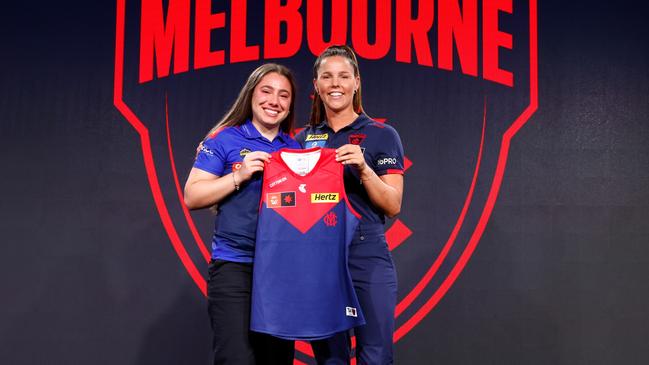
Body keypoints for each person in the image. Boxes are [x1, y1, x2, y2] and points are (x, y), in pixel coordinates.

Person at [184, 63, 300, 365]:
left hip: (281, 273)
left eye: (283, 95)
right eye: (267, 91)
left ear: (290, 105)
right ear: (251, 94)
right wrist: (239, 175)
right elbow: (192, 196)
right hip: (235, 267)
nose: (274, 101)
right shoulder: (225, 139)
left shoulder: (297, 148)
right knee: (236, 358)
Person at [296, 45, 405, 365]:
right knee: (331, 359)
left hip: (366, 252)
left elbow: (393, 205)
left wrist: (364, 169)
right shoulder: (302, 139)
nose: (335, 84)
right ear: (316, 85)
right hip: (319, 257)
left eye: (344, 76)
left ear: (356, 82)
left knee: (376, 356)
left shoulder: (382, 135)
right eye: (327, 76)